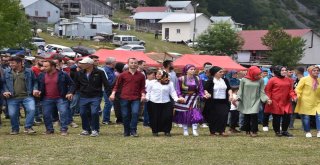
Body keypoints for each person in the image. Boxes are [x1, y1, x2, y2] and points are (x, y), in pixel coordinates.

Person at [2, 56, 40, 135]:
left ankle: (28, 127)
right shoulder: (6, 72)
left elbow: (35, 81)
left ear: (20, 63)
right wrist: (5, 91)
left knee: (32, 109)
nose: (11, 65)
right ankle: (15, 129)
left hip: (27, 96)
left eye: (13, 63)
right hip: (12, 97)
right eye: (10, 63)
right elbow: (3, 83)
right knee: (12, 114)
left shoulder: (29, 71)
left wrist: (35, 89)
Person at [109, 58, 146, 137]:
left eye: (135, 63)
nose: (133, 64)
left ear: (137, 64)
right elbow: (116, 86)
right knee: (125, 115)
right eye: (131, 63)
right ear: (128, 64)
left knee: (135, 113)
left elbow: (142, 87)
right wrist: (113, 94)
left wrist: (143, 95)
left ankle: (133, 130)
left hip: (136, 98)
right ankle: (126, 131)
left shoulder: (141, 76)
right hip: (124, 98)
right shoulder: (122, 75)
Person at [74, 57, 110, 137]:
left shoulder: (100, 72)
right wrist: (70, 93)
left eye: (83, 63)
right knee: (83, 113)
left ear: (89, 64)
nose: (81, 64)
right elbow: (76, 85)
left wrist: (109, 94)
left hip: (96, 96)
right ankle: (86, 129)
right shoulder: (79, 73)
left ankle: (95, 130)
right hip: (83, 96)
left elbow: (106, 84)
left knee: (94, 112)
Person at [37, 60, 75, 135]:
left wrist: (70, 92)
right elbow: (38, 85)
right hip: (46, 98)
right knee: (46, 114)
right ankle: (49, 129)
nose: (43, 68)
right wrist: (38, 91)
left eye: (45, 66)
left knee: (63, 113)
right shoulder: (41, 75)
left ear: (53, 66)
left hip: (61, 97)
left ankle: (64, 129)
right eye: (43, 66)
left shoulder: (63, 74)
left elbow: (72, 84)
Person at [146, 70, 185, 136]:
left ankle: (167, 131)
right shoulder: (152, 82)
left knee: (168, 117)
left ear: (164, 75)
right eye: (157, 74)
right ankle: (155, 131)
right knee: (155, 117)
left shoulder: (170, 83)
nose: (157, 75)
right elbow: (148, 92)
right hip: (154, 102)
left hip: (166, 102)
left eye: (159, 74)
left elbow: (172, 92)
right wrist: (146, 99)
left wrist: (176, 99)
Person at [174, 64, 208, 136]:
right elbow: (178, 89)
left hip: (194, 98)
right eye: (191, 69)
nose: (193, 71)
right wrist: (179, 97)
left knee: (195, 114)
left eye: (194, 69)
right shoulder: (181, 79)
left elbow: (200, 90)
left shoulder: (198, 79)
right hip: (184, 98)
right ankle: (185, 130)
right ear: (186, 70)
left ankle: (194, 130)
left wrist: (203, 95)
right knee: (184, 114)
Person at [237, 66, 271, 137]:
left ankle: (254, 131)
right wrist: (238, 97)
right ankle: (247, 130)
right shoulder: (244, 80)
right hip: (245, 100)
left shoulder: (260, 80)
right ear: (252, 73)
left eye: (259, 74)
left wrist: (266, 99)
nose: (259, 76)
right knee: (246, 115)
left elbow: (262, 91)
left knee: (254, 115)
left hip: (256, 100)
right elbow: (240, 90)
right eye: (257, 74)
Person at [264, 66, 297, 137]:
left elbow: (291, 90)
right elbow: (267, 90)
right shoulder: (272, 79)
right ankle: (277, 131)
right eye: (282, 70)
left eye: (285, 70)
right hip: (276, 101)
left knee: (287, 117)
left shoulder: (289, 80)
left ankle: (284, 131)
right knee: (277, 117)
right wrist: (268, 99)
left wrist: (293, 96)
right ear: (278, 71)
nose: (284, 71)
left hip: (286, 101)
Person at [204, 66, 232, 136]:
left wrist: (230, 95)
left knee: (224, 115)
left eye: (223, 72)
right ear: (215, 73)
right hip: (213, 102)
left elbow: (229, 88)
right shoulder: (211, 80)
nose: (222, 73)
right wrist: (207, 93)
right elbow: (205, 89)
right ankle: (213, 131)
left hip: (223, 101)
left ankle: (222, 131)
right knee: (213, 116)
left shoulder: (225, 80)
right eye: (220, 72)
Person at [295, 65, 320, 138]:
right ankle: (307, 131)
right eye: (314, 70)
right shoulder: (304, 79)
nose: (316, 72)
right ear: (310, 71)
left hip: (317, 101)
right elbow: (298, 89)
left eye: (317, 70)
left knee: (319, 116)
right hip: (305, 101)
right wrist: (298, 96)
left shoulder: (319, 80)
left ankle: (319, 131)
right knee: (306, 117)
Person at [102, 57, 117, 125]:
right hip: (107, 89)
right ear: (111, 63)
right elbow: (106, 81)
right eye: (115, 61)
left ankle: (107, 119)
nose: (116, 63)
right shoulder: (105, 70)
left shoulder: (112, 70)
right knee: (108, 104)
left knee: (110, 104)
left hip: (112, 89)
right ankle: (105, 120)